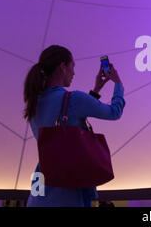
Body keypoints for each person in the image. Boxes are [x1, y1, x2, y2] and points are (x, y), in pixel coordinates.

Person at [23, 45, 126, 207]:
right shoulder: (74, 99)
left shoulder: (34, 102)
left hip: (38, 187)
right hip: (66, 191)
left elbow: (71, 116)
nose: (74, 72)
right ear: (63, 67)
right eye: (72, 66)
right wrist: (118, 83)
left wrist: (96, 89)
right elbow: (114, 112)